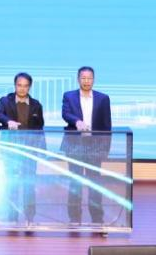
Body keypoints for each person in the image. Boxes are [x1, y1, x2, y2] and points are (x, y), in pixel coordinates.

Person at [60, 65, 113, 225]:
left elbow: (107, 125)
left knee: (95, 183)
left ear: (94, 80)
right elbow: (66, 114)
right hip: (75, 145)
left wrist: (105, 149)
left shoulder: (103, 98)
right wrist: (77, 121)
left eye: (89, 78)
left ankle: (97, 218)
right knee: (75, 182)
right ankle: (74, 218)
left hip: (94, 146)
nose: (86, 81)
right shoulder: (69, 96)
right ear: (78, 79)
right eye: (83, 78)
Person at [0, 72, 46, 223]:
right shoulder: (6, 101)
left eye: (25, 86)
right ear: (15, 85)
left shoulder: (36, 105)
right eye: (19, 85)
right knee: (12, 185)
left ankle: (30, 217)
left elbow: (40, 128)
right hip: (11, 151)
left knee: (29, 185)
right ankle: (12, 218)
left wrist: (42, 150)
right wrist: (8, 121)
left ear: (29, 87)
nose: (22, 89)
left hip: (29, 152)